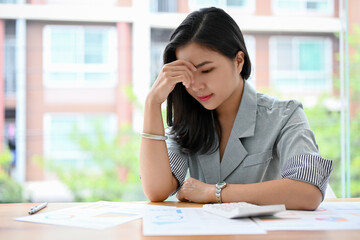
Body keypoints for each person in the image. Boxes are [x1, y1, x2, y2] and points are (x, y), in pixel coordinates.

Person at [139, 7, 333, 210]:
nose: (196, 85)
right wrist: (152, 103)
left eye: (206, 70)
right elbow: (157, 190)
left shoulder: (285, 115)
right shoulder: (189, 121)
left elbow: (309, 191)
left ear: (239, 61)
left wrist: (213, 192)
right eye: (187, 75)